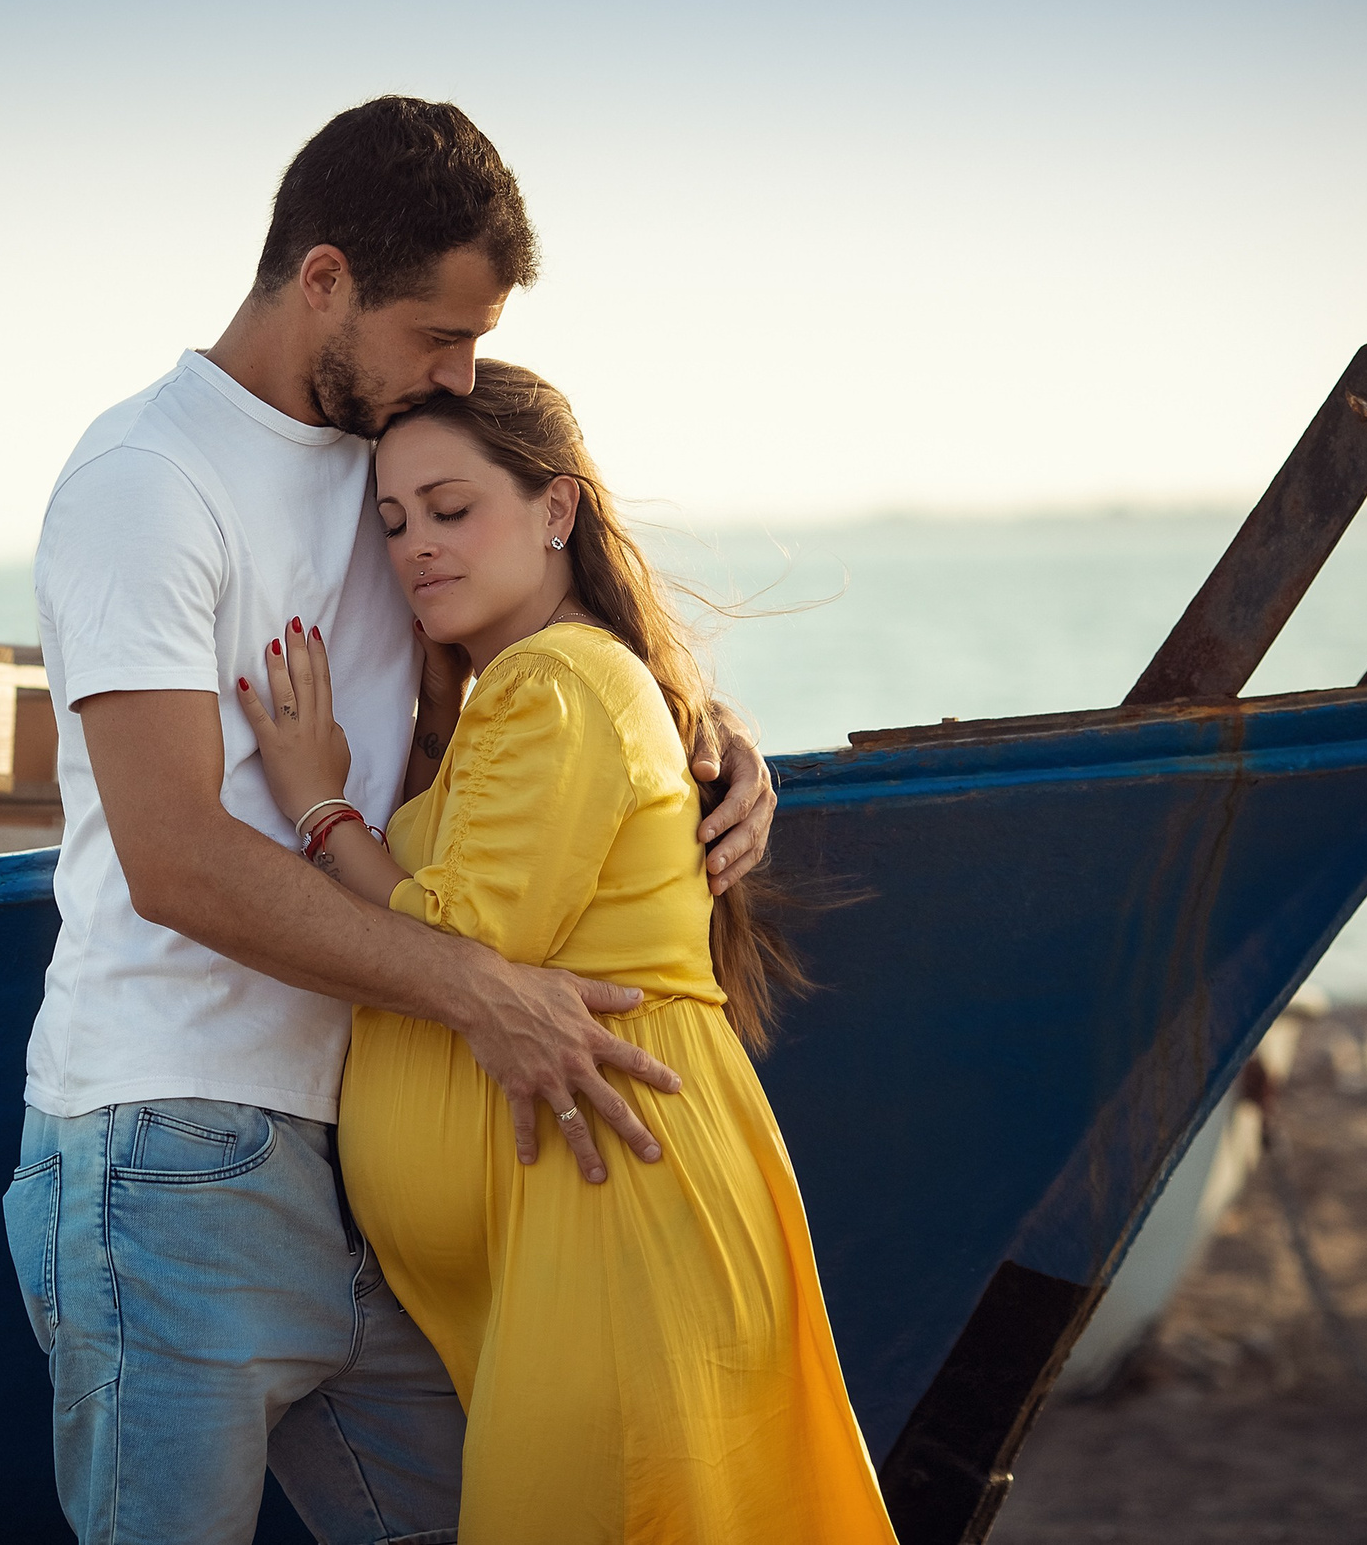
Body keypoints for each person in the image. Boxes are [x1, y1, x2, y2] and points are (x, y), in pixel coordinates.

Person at [7, 97, 780, 1545]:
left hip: (351, 1143)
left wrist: (698, 742)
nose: (463, 368)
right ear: (323, 281)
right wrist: (487, 994)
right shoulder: (146, 482)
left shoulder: (387, 468)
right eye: (440, 335)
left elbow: (515, 670)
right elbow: (173, 856)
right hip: (171, 1145)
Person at [233, 363, 897, 1544]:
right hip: (578, 1233)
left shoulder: (557, 678)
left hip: (612, 1220)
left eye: (451, 508)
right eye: (391, 525)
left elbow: (458, 942)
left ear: (556, 509)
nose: (417, 548)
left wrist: (316, 804)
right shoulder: (539, 684)